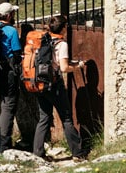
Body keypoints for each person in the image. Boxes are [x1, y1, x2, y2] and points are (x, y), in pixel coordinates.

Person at [32, 15, 90, 162]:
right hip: (54, 85)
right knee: (66, 118)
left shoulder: (43, 39)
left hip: (39, 83)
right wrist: (78, 67)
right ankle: (77, 153)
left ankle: (37, 154)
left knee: (44, 118)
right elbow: (63, 67)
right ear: (63, 28)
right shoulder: (61, 44)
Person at [0, 1, 22, 154]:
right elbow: (16, 55)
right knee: (9, 107)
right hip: (8, 74)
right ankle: (4, 145)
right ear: (9, 15)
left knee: (4, 106)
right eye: (13, 13)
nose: (14, 16)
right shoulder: (11, 31)